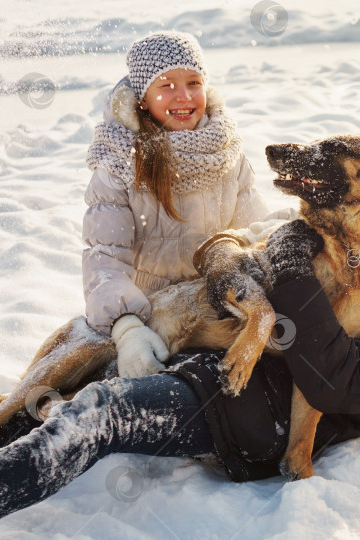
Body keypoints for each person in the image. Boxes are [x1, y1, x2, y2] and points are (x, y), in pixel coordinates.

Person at [0, 151, 360, 538]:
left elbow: (335, 379)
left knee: (104, 412)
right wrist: (239, 262)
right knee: (60, 393)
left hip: (257, 422)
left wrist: (287, 266)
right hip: (220, 362)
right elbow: (228, 243)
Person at [80, 30, 289, 378]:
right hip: (152, 319)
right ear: (142, 98)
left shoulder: (226, 154)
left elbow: (254, 236)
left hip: (214, 309)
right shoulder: (119, 164)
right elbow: (104, 260)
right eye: (166, 85)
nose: (184, 97)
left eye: (193, 82)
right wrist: (128, 329)